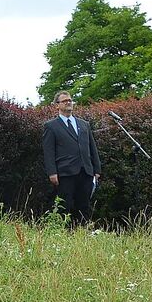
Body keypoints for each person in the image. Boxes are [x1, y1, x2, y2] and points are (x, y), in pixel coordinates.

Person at [43, 90, 101, 225]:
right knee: (65, 206)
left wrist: (96, 169)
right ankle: (64, 234)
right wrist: (52, 172)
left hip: (85, 171)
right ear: (57, 105)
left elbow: (92, 147)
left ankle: (82, 233)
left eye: (70, 100)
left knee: (84, 205)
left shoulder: (83, 124)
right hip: (65, 173)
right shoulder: (51, 126)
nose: (68, 102)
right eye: (64, 101)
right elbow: (49, 152)